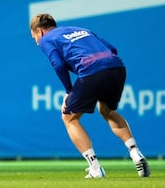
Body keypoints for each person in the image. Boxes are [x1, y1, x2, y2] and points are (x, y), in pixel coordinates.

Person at [29, 13, 150, 178]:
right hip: (117, 68)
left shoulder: (46, 39)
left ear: (40, 31)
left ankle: (95, 168)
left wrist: (68, 90)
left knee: (69, 117)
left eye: (33, 35)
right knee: (108, 112)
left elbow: (58, 64)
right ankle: (135, 152)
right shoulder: (80, 29)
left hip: (92, 71)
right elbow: (112, 48)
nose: (35, 40)